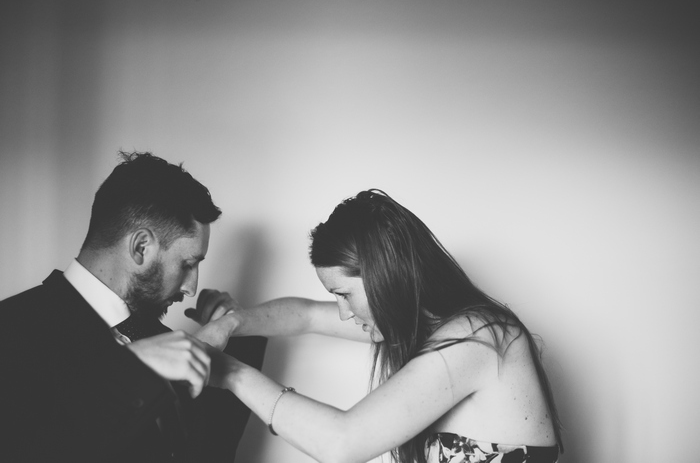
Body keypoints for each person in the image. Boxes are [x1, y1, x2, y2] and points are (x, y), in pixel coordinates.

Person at [190, 189, 563, 463]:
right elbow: (304, 315)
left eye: (344, 294)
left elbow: (341, 443)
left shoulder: (478, 339)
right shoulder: (428, 328)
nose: (341, 313)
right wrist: (232, 323)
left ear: (385, 277)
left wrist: (230, 373)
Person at [0, 151, 265, 462]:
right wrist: (133, 369)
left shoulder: (163, 340)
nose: (192, 288)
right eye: (187, 264)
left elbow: (209, 450)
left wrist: (237, 335)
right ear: (141, 247)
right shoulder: (11, 332)